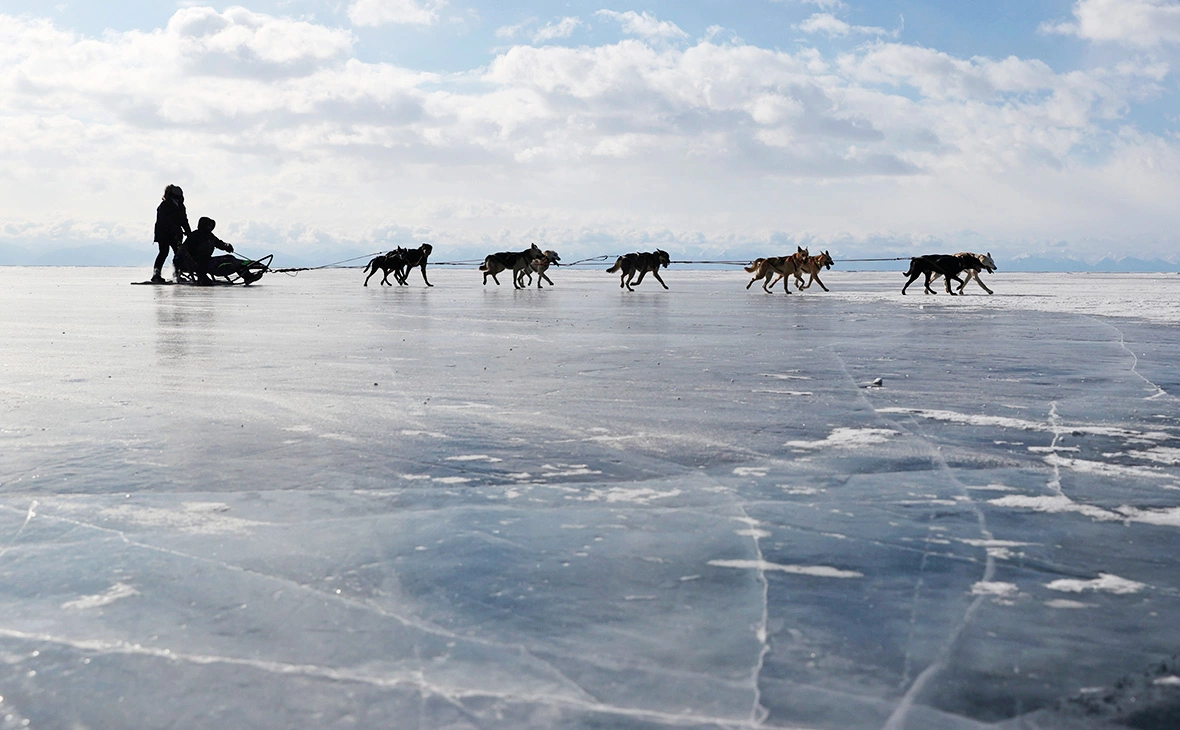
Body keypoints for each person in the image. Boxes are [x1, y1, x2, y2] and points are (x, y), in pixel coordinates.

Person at [176, 216, 234, 285]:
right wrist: (189, 261)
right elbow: (183, 250)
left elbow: (219, 243)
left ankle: (246, 274)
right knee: (201, 263)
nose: (209, 227)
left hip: (207, 260)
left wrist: (227, 246)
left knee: (230, 258)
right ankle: (203, 278)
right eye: (208, 225)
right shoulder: (194, 236)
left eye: (211, 225)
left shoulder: (210, 236)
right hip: (193, 261)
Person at [153, 184, 190, 283]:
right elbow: (165, 221)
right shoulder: (164, 205)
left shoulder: (180, 206)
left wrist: (188, 232)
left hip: (175, 234)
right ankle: (156, 274)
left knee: (178, 254)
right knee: (163, 252)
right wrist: (177, 230)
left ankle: (176, 274)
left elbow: (184, 220)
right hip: (164, 233)